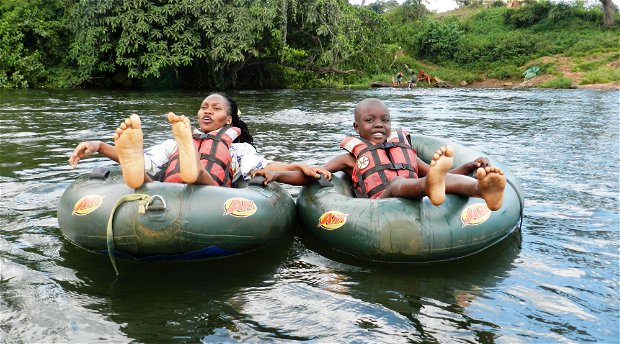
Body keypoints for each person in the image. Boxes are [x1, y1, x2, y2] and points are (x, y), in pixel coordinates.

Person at [255, 98, 506, 210]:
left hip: (420, 187)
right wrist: (277, 175)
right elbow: (314, 176)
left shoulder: (403, 150)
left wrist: (469, 167)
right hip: (379, 203)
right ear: (356, 128)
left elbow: (440, 176)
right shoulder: (349, 159)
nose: (379, 124)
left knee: (435, 179)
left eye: (385, 120)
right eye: (370, 120)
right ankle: (430, 188)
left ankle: (482, 191)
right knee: (399, 183)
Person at [68, 93, 329, 189]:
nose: (206, 111)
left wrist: (299, 165)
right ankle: (145, 179)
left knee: (197, 176)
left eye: (215, 108)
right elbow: (146, 161)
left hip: (211, 193)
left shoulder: (237, 146)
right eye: (204, 107)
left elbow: (265, 166)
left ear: (229, 121)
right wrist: (100, 146)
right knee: (143, 171)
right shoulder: (181, 141)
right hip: (170, 191)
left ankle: (195, 171)